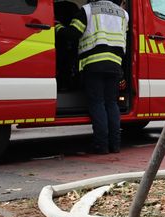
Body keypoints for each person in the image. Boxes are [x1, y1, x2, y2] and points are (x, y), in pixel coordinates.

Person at [59, 0, 129, 154]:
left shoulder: (87, 10)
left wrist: (56, 26)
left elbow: (72, 34)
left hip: (94, 64)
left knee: (97, 104)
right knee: (111, 103)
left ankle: (101, 145)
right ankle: (115, 145)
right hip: (115, 64)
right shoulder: (123, 13)